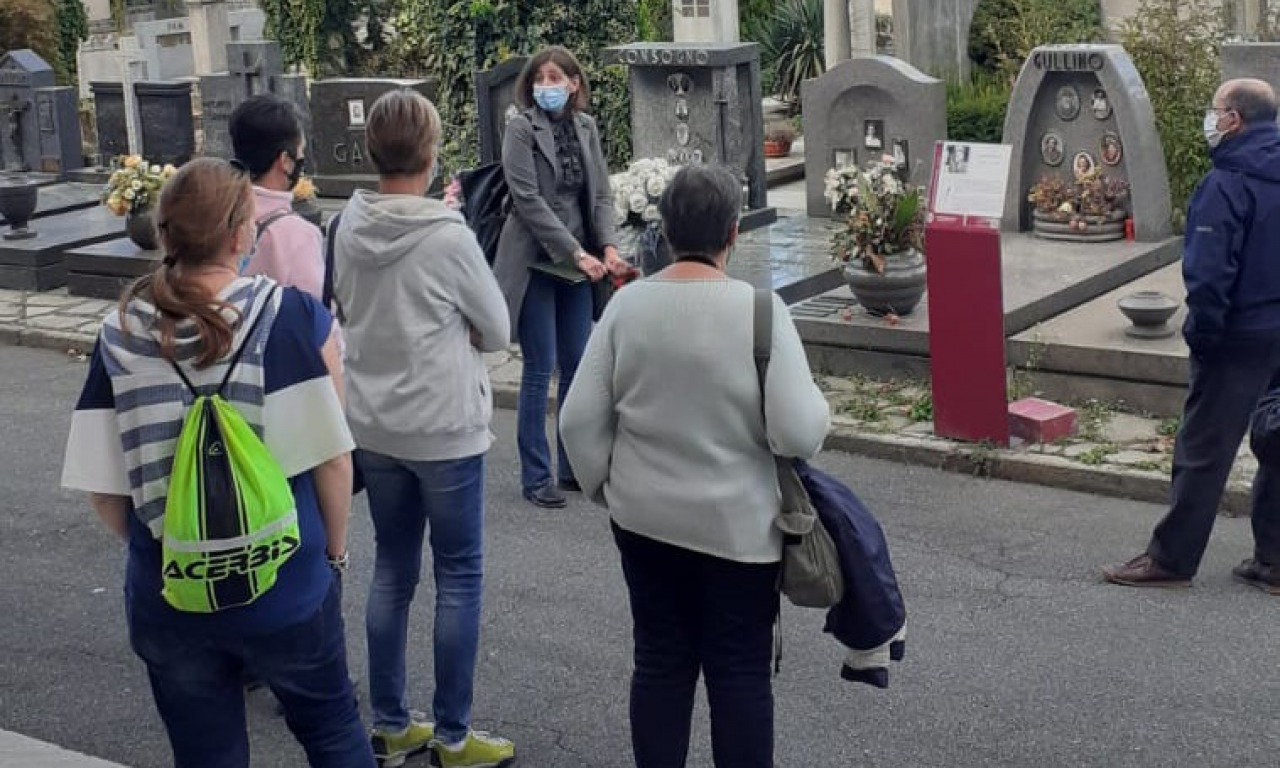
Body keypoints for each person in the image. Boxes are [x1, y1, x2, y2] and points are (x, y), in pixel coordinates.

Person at [60, 158, 372, 767]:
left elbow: (102, 488)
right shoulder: (290, 318)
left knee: (207, 756)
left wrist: (173, 545)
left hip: (171, 597)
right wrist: (333, 555)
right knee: (333, 731)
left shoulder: (120, 330)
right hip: (288, 582)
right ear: (238, 236)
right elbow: (333, 459)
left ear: (166, 234)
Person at [559, 164, 831, 768]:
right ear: (734, 233)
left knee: (659, 662)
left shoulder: (627, 310)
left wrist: (605, 485)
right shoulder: (761, 312)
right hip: (741, 532)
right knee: (739, 673)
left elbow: (577, 420)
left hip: (645, 521)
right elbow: (798, 431)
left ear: (663, 229)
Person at [330, 89, 516, 767]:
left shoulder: (344, 226)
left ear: (371, 152)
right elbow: (496, 328)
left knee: (391, 573)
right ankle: (453, 736)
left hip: (375, 423)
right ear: (433, 154)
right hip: (445, 427)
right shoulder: (447, 237)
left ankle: (385, 723)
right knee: (459, 577)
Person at [1103, 78, 1280, 594]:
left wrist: (1203, 336)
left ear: (1234, 121)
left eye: (1216, 110)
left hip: (1237, 337)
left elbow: (1208, 277)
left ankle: (1171, 560)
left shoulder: (1226, 184)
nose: (1211, 117)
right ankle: (1273, 560)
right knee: (1277, 440)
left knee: (1203, 449)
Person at [492, 45, 631, 509]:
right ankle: (536, 476)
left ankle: (572, 467)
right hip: (537, 259)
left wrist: (607, 246)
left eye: (556, 78)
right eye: (540, 79)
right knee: (539, 366)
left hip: (580, 262)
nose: (546, 86)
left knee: (576, 364)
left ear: (575, 83)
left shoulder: (586, 127)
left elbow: (601, 197)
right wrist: (574, 252)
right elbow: (527, 201)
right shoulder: (519, 128)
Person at [230, 93, 324, 298]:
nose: (301, 159)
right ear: (285, 161)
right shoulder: (297, 235)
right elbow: (311, 317)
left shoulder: (215, 213)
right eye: (300, 152)